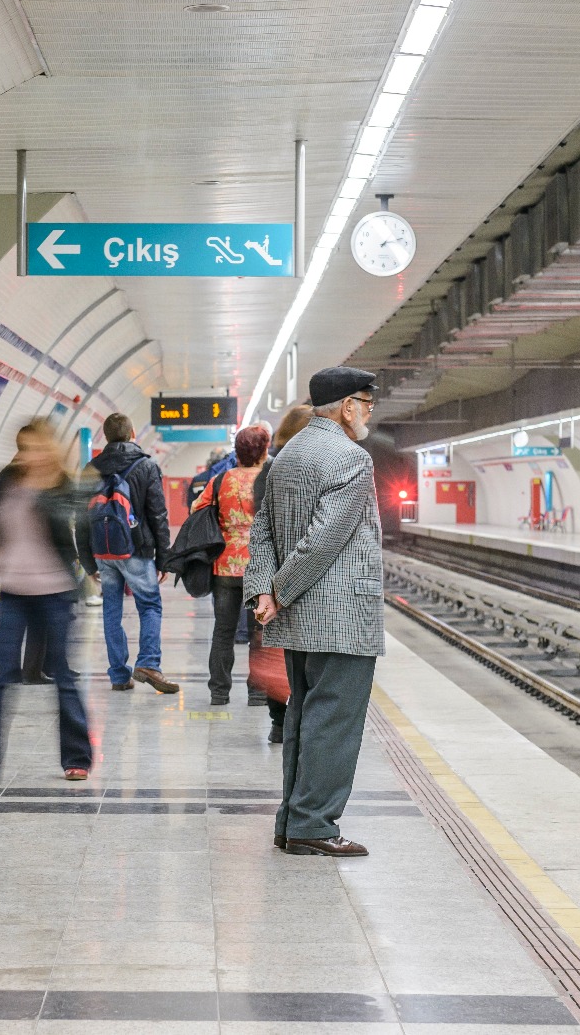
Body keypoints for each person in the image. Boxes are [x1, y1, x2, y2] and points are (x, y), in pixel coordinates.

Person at [246, 368, 384, 859]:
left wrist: (264, 590)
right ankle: (314, 825)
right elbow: (324, 540)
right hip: (341, 617)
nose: (369, 412)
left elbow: (261, 530)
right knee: (336, 721)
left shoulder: (286, 456)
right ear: (347, 406)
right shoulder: (351, 458)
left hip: (300, 621)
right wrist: (279, 590)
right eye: (366, 403)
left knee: (305, 717)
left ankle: (293, 821)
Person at [0, 419, 94, 786]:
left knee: (63, 677)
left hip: (55, 593)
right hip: (15, 594)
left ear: (50, 448)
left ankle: (77, 757)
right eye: (24, 447)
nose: (29, 455)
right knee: (2, 678)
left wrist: (90, 568)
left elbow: (79, 530)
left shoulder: (63, 486)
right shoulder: (7, 481)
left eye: (36, 447)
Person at [80, 413, 180, 694]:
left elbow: (81, 518)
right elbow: (158, 515)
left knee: (111, 609)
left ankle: (119, 675)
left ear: (107, 436)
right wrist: (164, 558)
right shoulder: (146, 466)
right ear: (133, 432)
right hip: (137, 550)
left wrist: (88, 562)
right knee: (149, 605)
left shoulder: (90, 468)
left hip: (103, 551)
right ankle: (148, 663)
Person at [191, 424, 271, 706]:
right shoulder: (269, 478)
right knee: (259, 632)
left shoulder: (221, 480)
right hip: (260, 568)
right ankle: (258, 693)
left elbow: (196, 509)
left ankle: (219, 692)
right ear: (264, 449)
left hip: (225, 566)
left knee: (223, 630)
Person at [248, 403, 312, 743]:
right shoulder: (306, 468)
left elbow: (261, 527)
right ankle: (297, 721)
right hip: (301, 573)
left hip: (272, 574)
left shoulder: (267, 472)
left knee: (276, 649)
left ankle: (278, 721)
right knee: (303, 655)